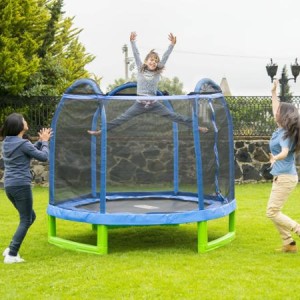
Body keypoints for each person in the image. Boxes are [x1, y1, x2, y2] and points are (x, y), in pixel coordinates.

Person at [88, 32, 208, 135]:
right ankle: (100, 131)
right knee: (122, 118)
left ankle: (197, 128)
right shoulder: (141, 69)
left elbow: (165, 57)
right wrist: (132, 42)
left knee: (175, 116)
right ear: (146, 62)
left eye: (156, 61)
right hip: (139, 104)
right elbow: (136, 54)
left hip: (154, 104)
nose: (154, 62)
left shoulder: (157, 72)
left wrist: (172, 45)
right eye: (151, 60)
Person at [0, 113, 52, 264]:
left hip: (10, 186)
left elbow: (30, 150)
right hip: (21, 185)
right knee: (26, 219)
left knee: (31, 217)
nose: (26, 121)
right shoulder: (22, 144)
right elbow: (43, 157)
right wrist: (45, 142)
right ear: (19, 126)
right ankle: (11, 254)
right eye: (23, 120)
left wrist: (42, 141)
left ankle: (10, 249)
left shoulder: (8, 142)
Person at [266, 79, 300, 253]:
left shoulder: (285, 135)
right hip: (282, 176)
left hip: (286, 177)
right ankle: (289, 244)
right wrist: (273, 92)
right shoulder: (281, 130)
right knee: (274, 211)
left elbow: (285, 152)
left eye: (279, 111)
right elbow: (275, 108)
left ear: (283, 115)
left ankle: (297, 229)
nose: (275, 112)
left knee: (272, 212)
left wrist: (275, 158)